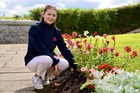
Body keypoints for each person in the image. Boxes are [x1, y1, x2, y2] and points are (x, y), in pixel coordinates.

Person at [24, 5, 77, 90]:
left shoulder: (56, 32)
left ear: (56, 17)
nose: (51, 17)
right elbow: (40, 48)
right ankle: (37, 78)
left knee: (64, 63)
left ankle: (44, 77)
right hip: (33, 60)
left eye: (54, 15)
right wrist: (54, 61)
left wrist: (75, 66)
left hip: (48, 59)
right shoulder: (35, 28)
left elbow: (64, 49)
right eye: (49, 14)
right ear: (43, 14)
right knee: (48, 60)